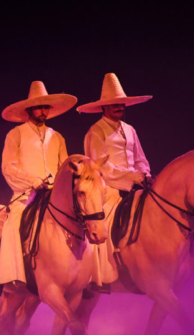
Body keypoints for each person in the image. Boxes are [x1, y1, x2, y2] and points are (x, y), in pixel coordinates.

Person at [0, 81, 76, 290]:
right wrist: (32, 180)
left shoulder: (57, 137)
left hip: (52, 194)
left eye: (46, 107)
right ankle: (10, 276)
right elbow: (8, 167)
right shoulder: (16, 134)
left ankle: (81, 276)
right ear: (29, 109)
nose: (43, 111)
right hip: (26, 195)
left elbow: (65, 168)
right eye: (40, 107)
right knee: (14, 223)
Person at [77, 73, 152, 290]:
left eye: (121, 103)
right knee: (104, 224)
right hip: (109, 188)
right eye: (114, 104)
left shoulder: (130, 130)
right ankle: (99, 275)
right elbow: (101, 167)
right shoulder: (96, 131)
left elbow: (141, 158)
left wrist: (144, 174)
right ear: (104, 107)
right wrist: (131, 176)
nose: (119, 107)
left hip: (136, 186)